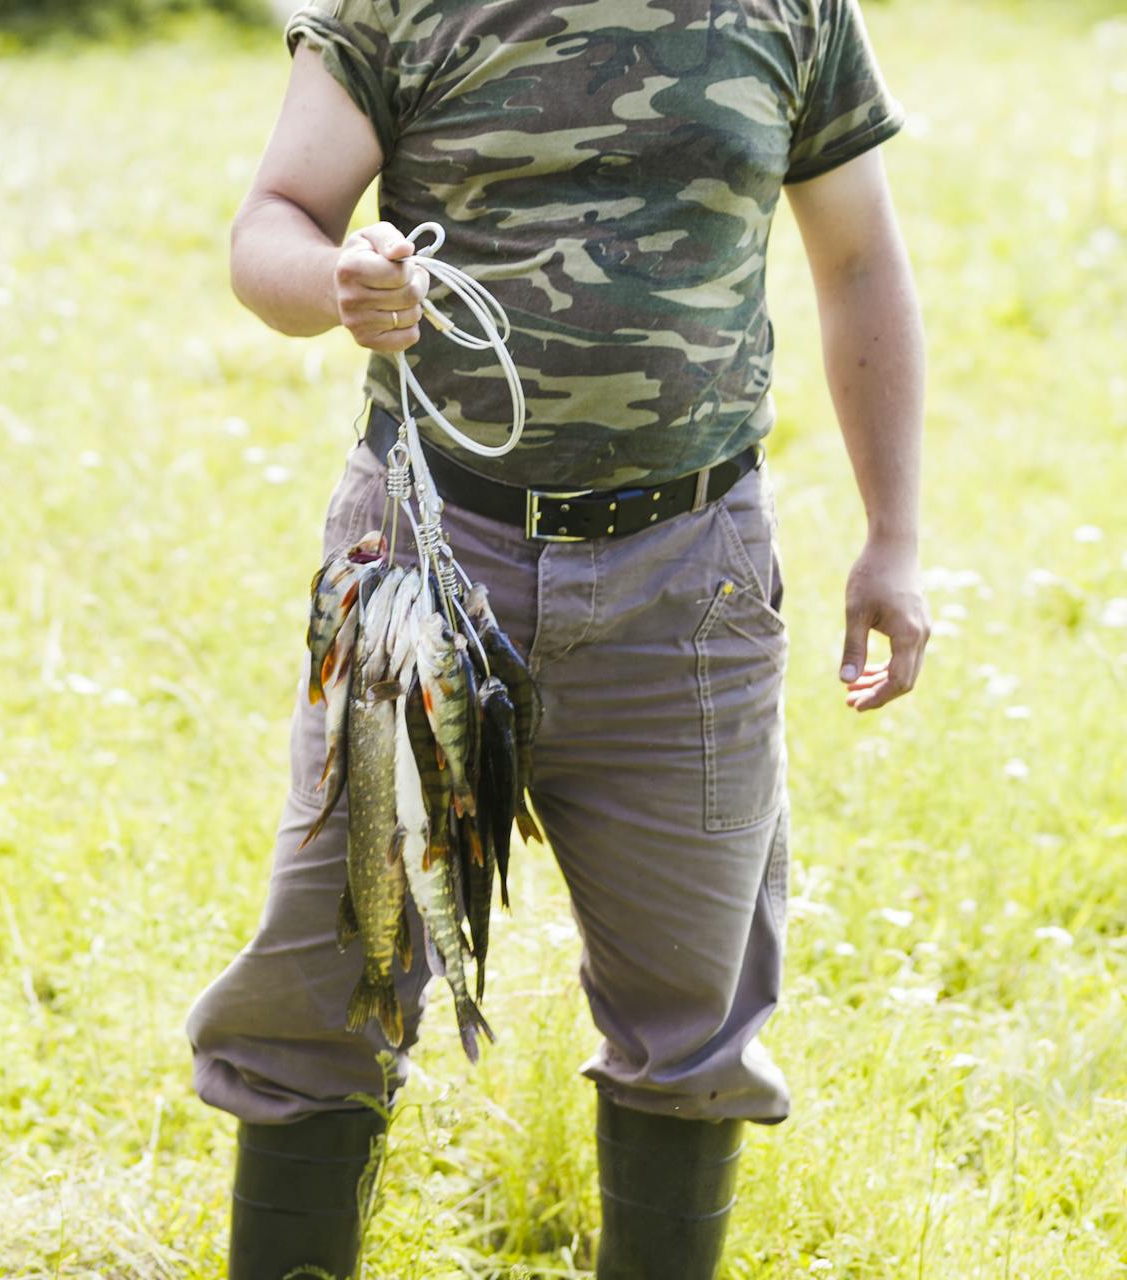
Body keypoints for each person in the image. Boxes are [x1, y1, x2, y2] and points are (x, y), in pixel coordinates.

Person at [185, 1, 931, 1276]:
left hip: (686, 580)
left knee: (690, 1030)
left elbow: (857, 258)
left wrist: (892, 537)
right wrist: (335, 282)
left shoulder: (792, 11)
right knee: (321, 998)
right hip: (427, 563)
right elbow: (273, 219)